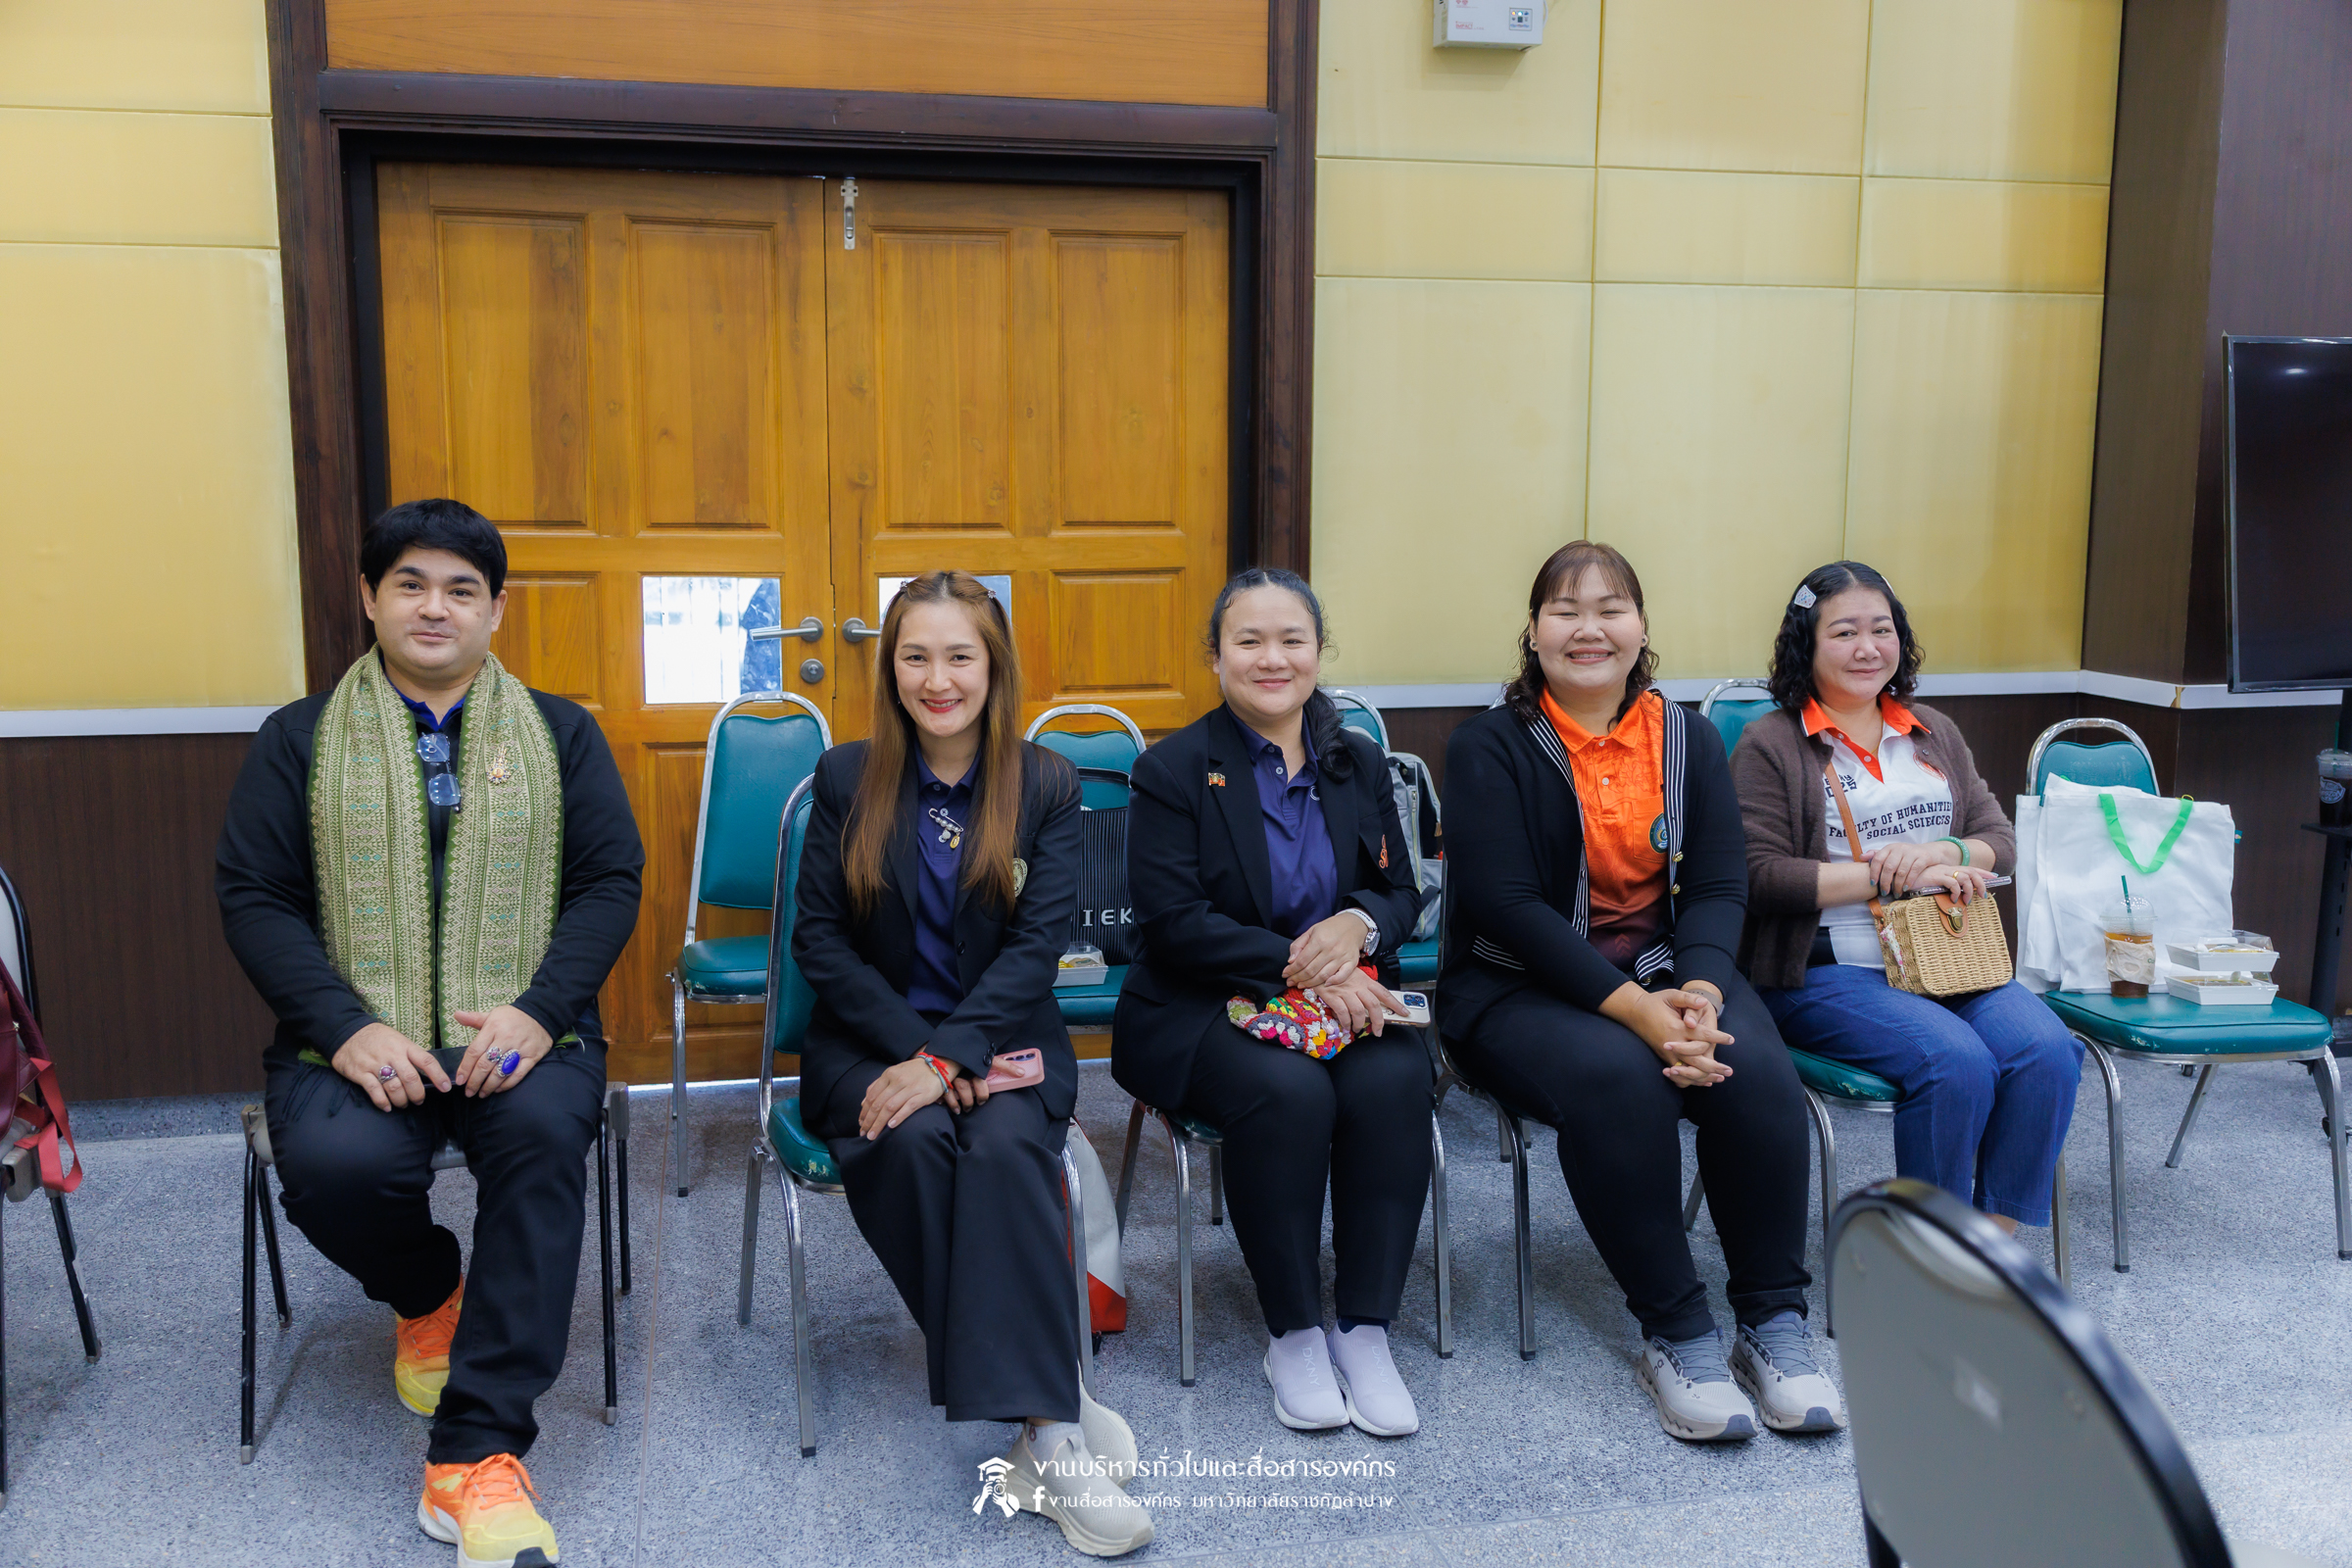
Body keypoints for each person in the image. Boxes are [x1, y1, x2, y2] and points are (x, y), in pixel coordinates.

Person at [217, 498, 643, 1568]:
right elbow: (256, 897)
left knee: (542, 1150)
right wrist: (346, 1028)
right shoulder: (298, 739)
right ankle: (428, 1292)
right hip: (351, 1037)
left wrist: (540, 1011)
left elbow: (609, 881)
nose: (435, 607)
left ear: (497, 608)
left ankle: (477, 1457)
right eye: (410, 584)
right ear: (369, 598)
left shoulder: (563, 734)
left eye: (462, 588)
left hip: (524, 1034)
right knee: (337, 1168)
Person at [1440, 541, 1844, 1444]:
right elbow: (1508, 908)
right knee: (1621, 1079)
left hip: (1666, 967)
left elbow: (1720, 883)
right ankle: (1679, 1333)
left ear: (1642, 626)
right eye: (1565, 611)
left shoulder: (1688, 736)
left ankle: (1773, 1324)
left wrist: (1699, 994)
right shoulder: (1486, 746)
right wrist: (1639, 1016)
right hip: (1518, 984)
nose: (1589, 629)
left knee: (1757, 1072)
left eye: (1610, 609)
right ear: (1533, 632)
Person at [792, 571, 1152, 1558]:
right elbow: (819, 941)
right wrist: (915, 1055)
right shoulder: (845, 778)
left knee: (998, 1150)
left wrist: (949, 1052)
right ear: (890, 668)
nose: (937, 678)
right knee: (909, 1145)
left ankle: (1046, 1424)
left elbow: (1037, 949)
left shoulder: (1046, 784)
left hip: (1006, 1041)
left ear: (994, 668)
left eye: (960, 655)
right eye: (916, 656)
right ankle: (1052, 1409)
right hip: (868, 1046)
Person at [1112, 568, 1431, 1439]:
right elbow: (1174, 924)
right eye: (1247, 640)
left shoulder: (1355, 759)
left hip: (1339, 998)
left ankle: (1364, 1330)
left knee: (1396, 1078)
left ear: (1319, 651)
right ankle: (1292, 1334)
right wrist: (1312, 967)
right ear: (1215, 657)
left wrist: (1359, 926)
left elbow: (1400, 892)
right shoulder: (1173, 769)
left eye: (1292, 639)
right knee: (1287, 1093)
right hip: (1198, 1005)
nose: (1272, 658)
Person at [1733, 561, 2082, 1238]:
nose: (1868, 648)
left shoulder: (1931, 730)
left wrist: (1945, 854)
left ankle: (1987, 1244)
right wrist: (1887, 874)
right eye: (1844, 632)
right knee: (1956, 1062)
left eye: (1882, 629)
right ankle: (1931, 1251)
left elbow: (1999, 842)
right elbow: (1759, 876)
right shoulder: (1770, 742)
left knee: (2047, 1050)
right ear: (1807, 644)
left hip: (1947, 959)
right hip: (1824, 972)